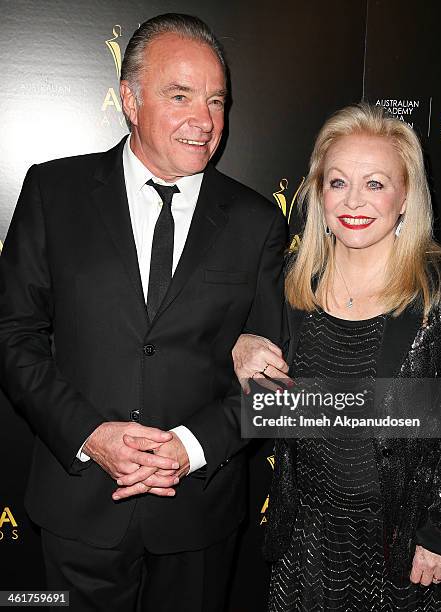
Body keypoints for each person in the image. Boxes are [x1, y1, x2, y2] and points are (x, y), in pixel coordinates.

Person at [0, 13, 286, 612]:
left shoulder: (257, 222)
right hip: (78, 500)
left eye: (216, 100)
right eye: (179, 96)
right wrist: (87, 434)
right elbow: (12, 334)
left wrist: (193, 444)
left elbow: (275, 381)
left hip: (198, 513)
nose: (205, 121)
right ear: (129, 100)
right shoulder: (54, 193)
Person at [232, 103, 441, 611]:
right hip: (307, 535)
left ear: (406, 197)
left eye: (375, 184)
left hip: (405, 541)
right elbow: (276, 404)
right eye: (338, 182)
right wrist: (240, 348)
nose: (354, 201)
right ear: (318, 192)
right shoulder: (293, 281)